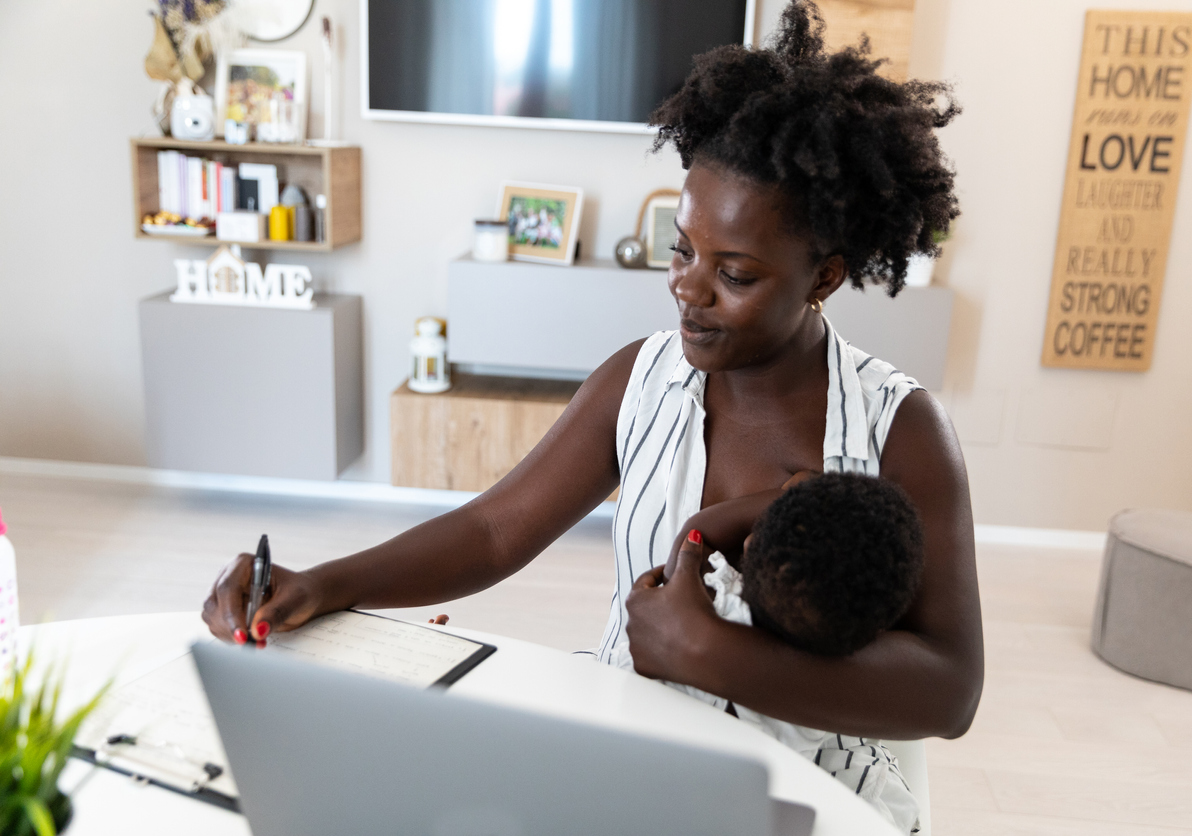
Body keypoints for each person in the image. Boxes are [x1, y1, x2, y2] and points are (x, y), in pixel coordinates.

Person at [203, 2, 982, 832]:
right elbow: (495, 533)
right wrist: (325, 584)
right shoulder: (637, 382)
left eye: (737, 274)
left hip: (803, 792)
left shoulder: (899, 431)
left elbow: (950, 688)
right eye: (683, 249)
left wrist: (715, 656)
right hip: (627, 755)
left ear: (823, 278)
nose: (687, 286)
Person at [609, 471, 927, 826]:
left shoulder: (712, 599)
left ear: (749, 545)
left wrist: (779, 496)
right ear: (877, 631)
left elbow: (696, 533)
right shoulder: (823, 684)